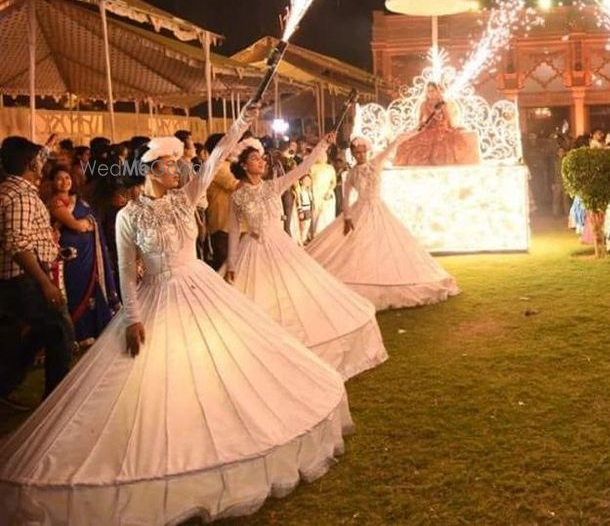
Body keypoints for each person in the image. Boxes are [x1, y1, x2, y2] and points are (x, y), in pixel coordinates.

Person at [0, 104, 355, 525]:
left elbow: (219, 157)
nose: (178, 171)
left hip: (200, 289)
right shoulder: (128, 217)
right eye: (169, 165)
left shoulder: (186, 200)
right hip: (155, 297)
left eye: (177, 164)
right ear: (150, 170)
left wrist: (241, 123)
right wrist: (132, 318)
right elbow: (126, 274)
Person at [225, 136, 387, 379]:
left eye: (260, 158)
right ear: (244, 166)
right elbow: (235, 230)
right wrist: (232, 262)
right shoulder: (238, 196)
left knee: (296, 294)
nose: (261, 162)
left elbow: (302, 168)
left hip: (280, 246)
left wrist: (322, 145)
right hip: (254, 248)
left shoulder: (272, 186)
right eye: (254, 159)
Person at [308, 134, 460, 309]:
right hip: (360, 210)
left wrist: (418, 129)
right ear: (353, 154)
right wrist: (347, 216)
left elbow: (393, 144)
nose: (360, 155)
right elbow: (346, 197)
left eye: (362, 151)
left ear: (367, 151)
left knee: (386, 246)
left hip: (378, 209)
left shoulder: (375, 164)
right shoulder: (351, 173)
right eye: (356, 152)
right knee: (359, 247)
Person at [0, 134, 73, 408]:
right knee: (60, 330)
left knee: (41, 333)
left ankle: (7, 382)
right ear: (31, 164)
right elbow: (17, 244)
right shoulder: (20, 196)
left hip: (24, 276)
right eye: (38, 161)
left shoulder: (14, 190)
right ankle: (56, 402)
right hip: (25, 278)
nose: (43, 165)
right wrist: (45, 282)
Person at [46, 165, 119, 346]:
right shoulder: (55, 203)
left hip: (89, 253)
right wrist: (86, 222)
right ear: (53, 182)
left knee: (91, 287)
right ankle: (78, 334)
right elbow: (76, 225)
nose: (65, 182)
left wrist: (87, 222)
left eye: (68, 178)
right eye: (60, 178)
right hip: (71, 256)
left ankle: (94, 328)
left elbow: (89, 222)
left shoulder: (79, 200)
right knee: (76, 289)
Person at [394, 82, 480, 166]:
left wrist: (441, 121)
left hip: (440, 128)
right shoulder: (423, 104)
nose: (430, 93)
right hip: (428, 128)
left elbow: (447, 118)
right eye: (428, 91)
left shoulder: (441, 103)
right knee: (407, 143)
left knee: (440, 140)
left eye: (432, 90)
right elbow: (419, 120)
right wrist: (422, 124)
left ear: (437, 91)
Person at [204, 132, 240, 270]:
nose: (234, 148)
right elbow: (237, 185)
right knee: (225, 267)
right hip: (222, 225)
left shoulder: (228, 165)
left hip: (231, 224)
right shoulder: (217, 166)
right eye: (231, 144)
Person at [310, 144, 339, 235]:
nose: (322, 156)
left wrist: (330, 190)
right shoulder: (312, 167)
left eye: (323, 154)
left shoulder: (330, 168)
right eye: (320, 154)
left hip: (327, 195)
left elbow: (333, 182)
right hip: (315, 193)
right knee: (315, 215)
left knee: (326, 218)